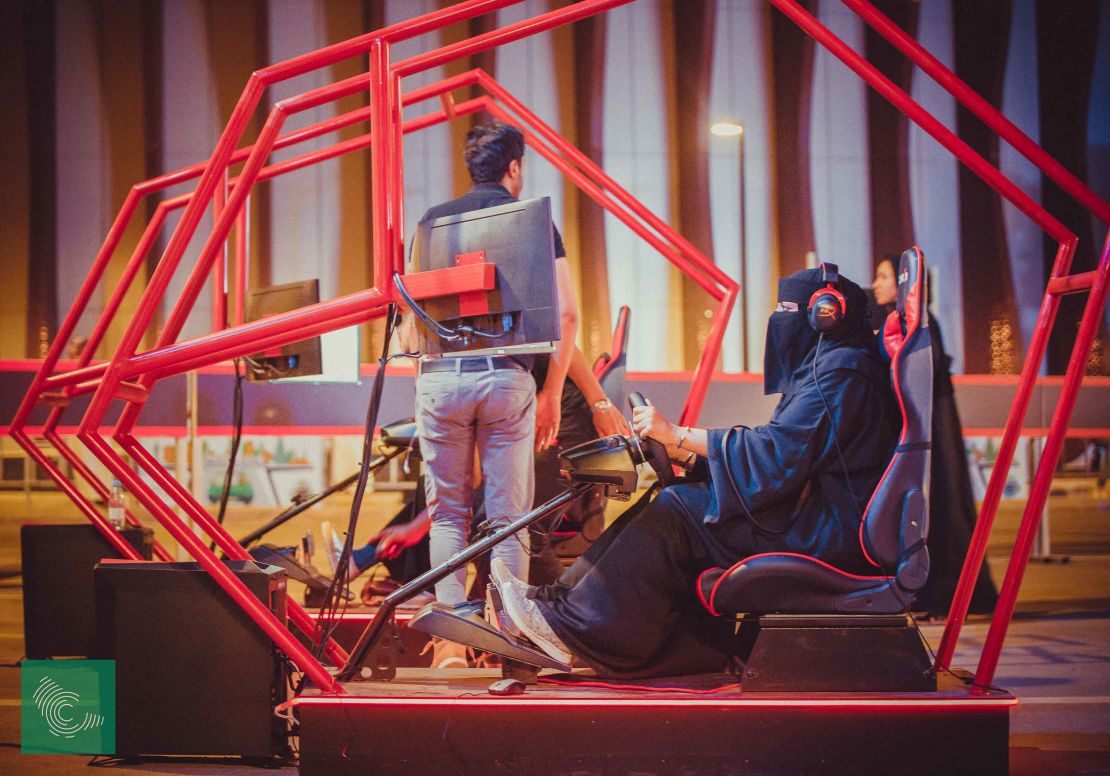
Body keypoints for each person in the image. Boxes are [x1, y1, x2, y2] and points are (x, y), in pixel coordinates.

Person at [490, 267, 901, 678]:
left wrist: (680, 435)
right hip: (808, 512)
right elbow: (787, 456)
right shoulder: (832, 365)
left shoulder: (842, 372)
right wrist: (692, 458)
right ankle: (558, 606)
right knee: (674, 498)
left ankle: (570, 626)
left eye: (788, 308)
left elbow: (778, 453)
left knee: (676, 510)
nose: (780, 317)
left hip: (826, 530)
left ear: (826, 313)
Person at [410, 121, 579, 607]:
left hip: (441, 377)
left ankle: (450, 629)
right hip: (506, 377)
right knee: (509, 520)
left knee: (447, 517)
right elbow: (566, 312)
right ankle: (510, 632)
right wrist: (550, 395)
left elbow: (413, 317)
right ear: (514, 167)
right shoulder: (532, 219)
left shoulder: (432, 223)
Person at [871, 256, 998, 618]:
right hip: (920, 434)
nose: (877, 284)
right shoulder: (899, 322)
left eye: (884, 277)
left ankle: (942, 594)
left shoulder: (921, 323)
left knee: (939, 510)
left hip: (932, 440)